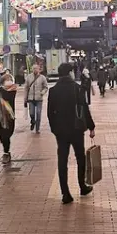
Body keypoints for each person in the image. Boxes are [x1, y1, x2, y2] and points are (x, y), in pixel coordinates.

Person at [47, 63, 95, 204]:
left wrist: (54, 129)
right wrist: (91, 126)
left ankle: (65, 193)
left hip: (61, 131)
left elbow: (50, 113)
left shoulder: (53, 91)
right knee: (80, 158)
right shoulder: (77, 88)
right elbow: (84, 109)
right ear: (69, 73)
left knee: (62, 160)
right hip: (76, 129)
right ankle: (82, 186)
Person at [0, 72, 17, 163]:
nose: (8, 81)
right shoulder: (0, 89)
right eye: (6, 80)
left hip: (9, 116)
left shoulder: (12, 89)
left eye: (10, 80)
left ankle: (6, 152)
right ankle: (5, 148)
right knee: (0, 133)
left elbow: (8, 97)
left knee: (7, 134)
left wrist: (0, 94)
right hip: (0, 116)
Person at [24, 64, 48, 133]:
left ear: (39, 69)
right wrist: (25, 98)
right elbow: (26, 88)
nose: (35, 70)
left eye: (36, 68)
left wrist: (42, 92)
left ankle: (37, 129)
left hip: (39, 98)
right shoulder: (29, 77)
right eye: (34, 68)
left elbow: (46, 87)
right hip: (30, 98)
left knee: (38, 113)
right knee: (31, 113)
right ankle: (33, 122)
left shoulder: (42, 77)